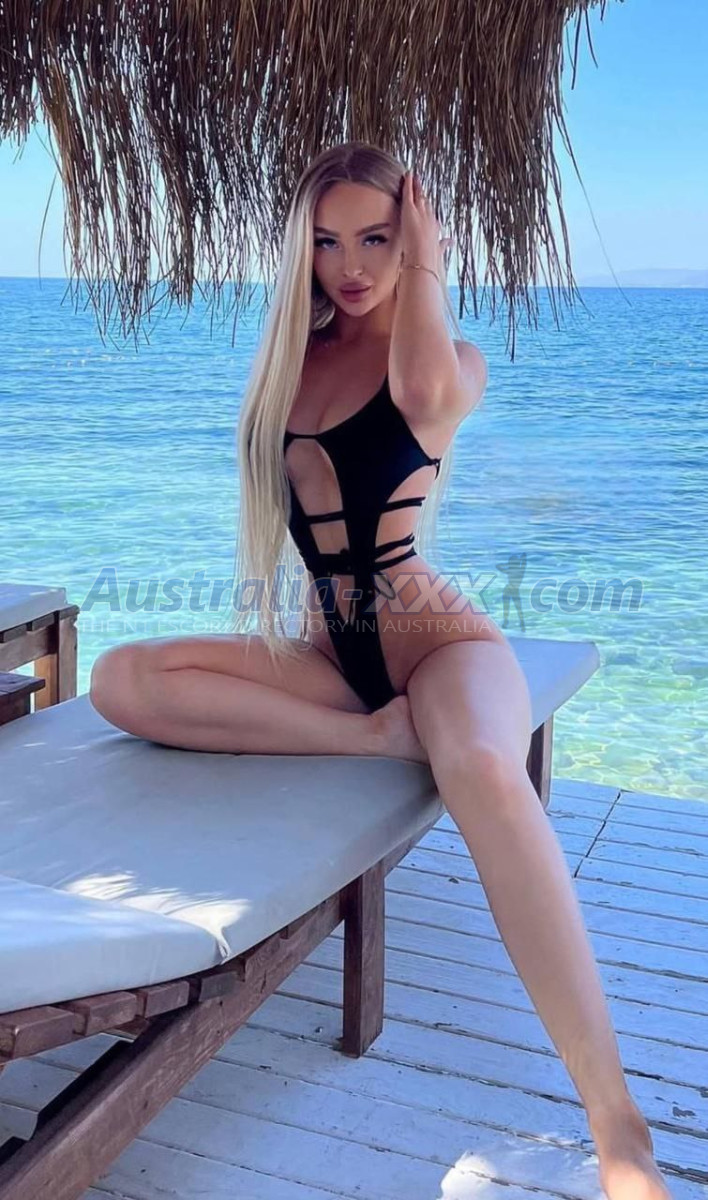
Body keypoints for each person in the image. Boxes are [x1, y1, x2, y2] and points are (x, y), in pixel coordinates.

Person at [90, 142, 671, 1199]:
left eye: (376, 238)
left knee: (484, 771)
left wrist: (428, 259)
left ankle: (614, 1117)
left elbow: (422, 388)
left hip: (438, 644)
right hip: (331, 659)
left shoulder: (449, 360)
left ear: (413, 239)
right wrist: (360, 725)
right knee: (121, 679)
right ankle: (372, 736)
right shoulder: (291, 360)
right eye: (326, 242)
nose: (349, 265)